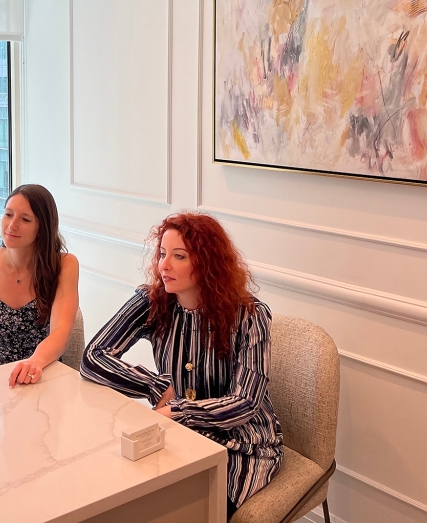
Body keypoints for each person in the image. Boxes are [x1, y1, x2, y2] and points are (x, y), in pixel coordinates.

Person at [80, 212, 283, 517]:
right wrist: (155, 385)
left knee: (196, 510)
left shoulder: (249, 317)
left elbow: (246, 403)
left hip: (241, 444)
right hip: (178, 434)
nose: (164, 265)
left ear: (207, 263)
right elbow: (93, 357)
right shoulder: (152, 302)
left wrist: (178, 410)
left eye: (179, 256)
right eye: (162, 254)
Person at [0, 184, 79, 388]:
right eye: (8, 215)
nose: (12, 225)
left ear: (42, 228)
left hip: (42, 376)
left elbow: (61, 333)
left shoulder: (65, 265)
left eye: (25, 219)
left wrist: (34, 362)